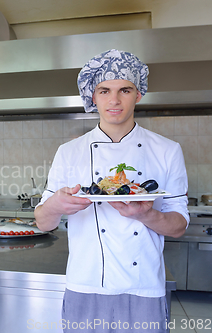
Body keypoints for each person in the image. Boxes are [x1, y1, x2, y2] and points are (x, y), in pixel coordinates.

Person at [35, 49, 189, 333]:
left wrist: (146, 215)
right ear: (93, 96)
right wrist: (56, 205)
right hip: (85, 285)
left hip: (143, 287)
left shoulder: (167, 150)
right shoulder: (69, 153)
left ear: (139, 94)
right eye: (104, 90)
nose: (114, 100)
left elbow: (178, 226)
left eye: (125, 90)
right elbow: (44, 222)